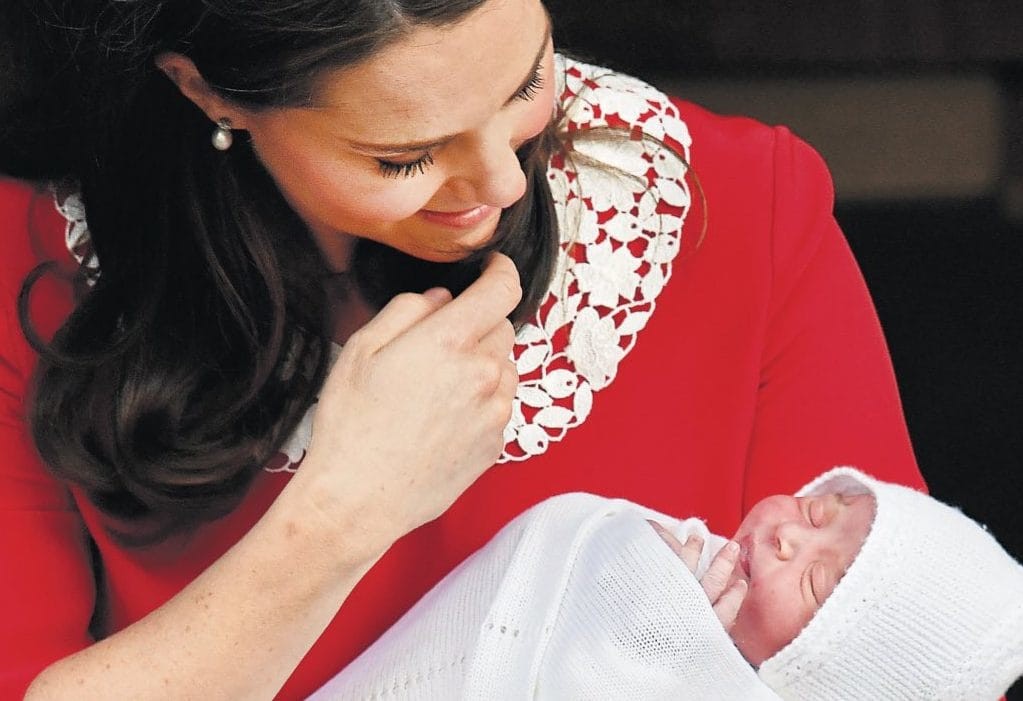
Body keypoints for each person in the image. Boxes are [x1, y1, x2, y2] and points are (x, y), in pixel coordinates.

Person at [0, 1, 924, 698]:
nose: (497, 181)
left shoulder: (729, 205)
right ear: (205, 88)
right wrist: (343, 515)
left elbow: (912, 656)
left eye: (526, 83)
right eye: (403, 156)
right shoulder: (38, 265)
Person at [305, 467, 1023, 699]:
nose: (791, 534)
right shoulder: (663, 553)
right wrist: (632, 583)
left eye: (818, 582)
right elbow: (552, 550)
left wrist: (673, 647)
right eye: (822, 509)